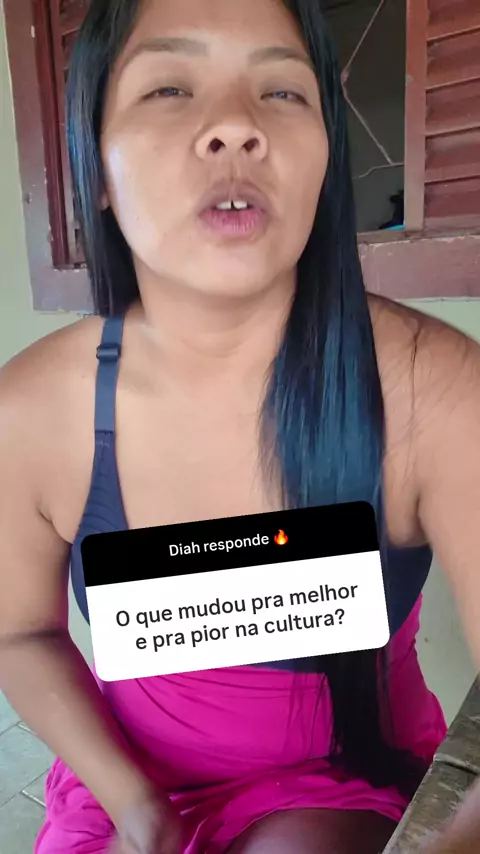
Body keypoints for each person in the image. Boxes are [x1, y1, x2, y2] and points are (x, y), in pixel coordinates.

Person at [0, 0, 479, 852]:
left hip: (345, 781)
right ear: (96, 168)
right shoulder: (33, 412)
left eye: (282, 92)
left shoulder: (432, 391)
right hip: (133, 782)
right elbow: (19, 633)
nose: (235, 127)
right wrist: (134, 807)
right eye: (170, 88)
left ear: (325, 158)